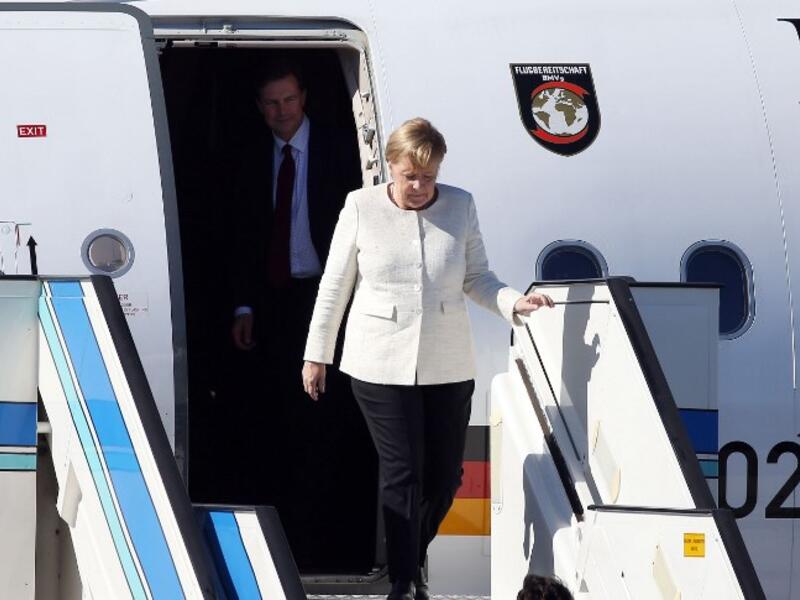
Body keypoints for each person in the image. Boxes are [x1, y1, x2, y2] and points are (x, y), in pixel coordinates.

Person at [301, 117, 554, 600]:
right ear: (390, 167)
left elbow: (477, 276)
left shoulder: (460, 206)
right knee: (404, 472)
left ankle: (411, 559)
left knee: (444, 479)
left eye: (429, 177)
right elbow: (335, 285)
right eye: (410, 176)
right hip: (377, 360)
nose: (419, 187)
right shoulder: (360, 207)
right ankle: (403, 581)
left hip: (446, 362)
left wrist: (513, 302)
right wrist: (318, 354)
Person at [229, 59, 362, 565]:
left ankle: (326, 540)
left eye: (288, 100)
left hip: (330, 301)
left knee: (325, 422)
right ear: (260, 108)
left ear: (303, 98)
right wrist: (243, 305)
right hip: (274, 304)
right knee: (275, 418)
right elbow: (241, 236)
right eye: (270, 103)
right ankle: (283, 536)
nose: (281, 111)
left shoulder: (341, 152)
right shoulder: (249, 157)